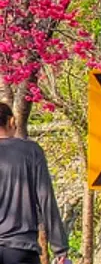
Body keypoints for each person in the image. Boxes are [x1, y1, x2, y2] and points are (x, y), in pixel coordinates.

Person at [0, 103, 69, 264]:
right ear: (11, 121)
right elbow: (45, 198)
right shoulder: (31, 151)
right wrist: (60, 248)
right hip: (21, 248)